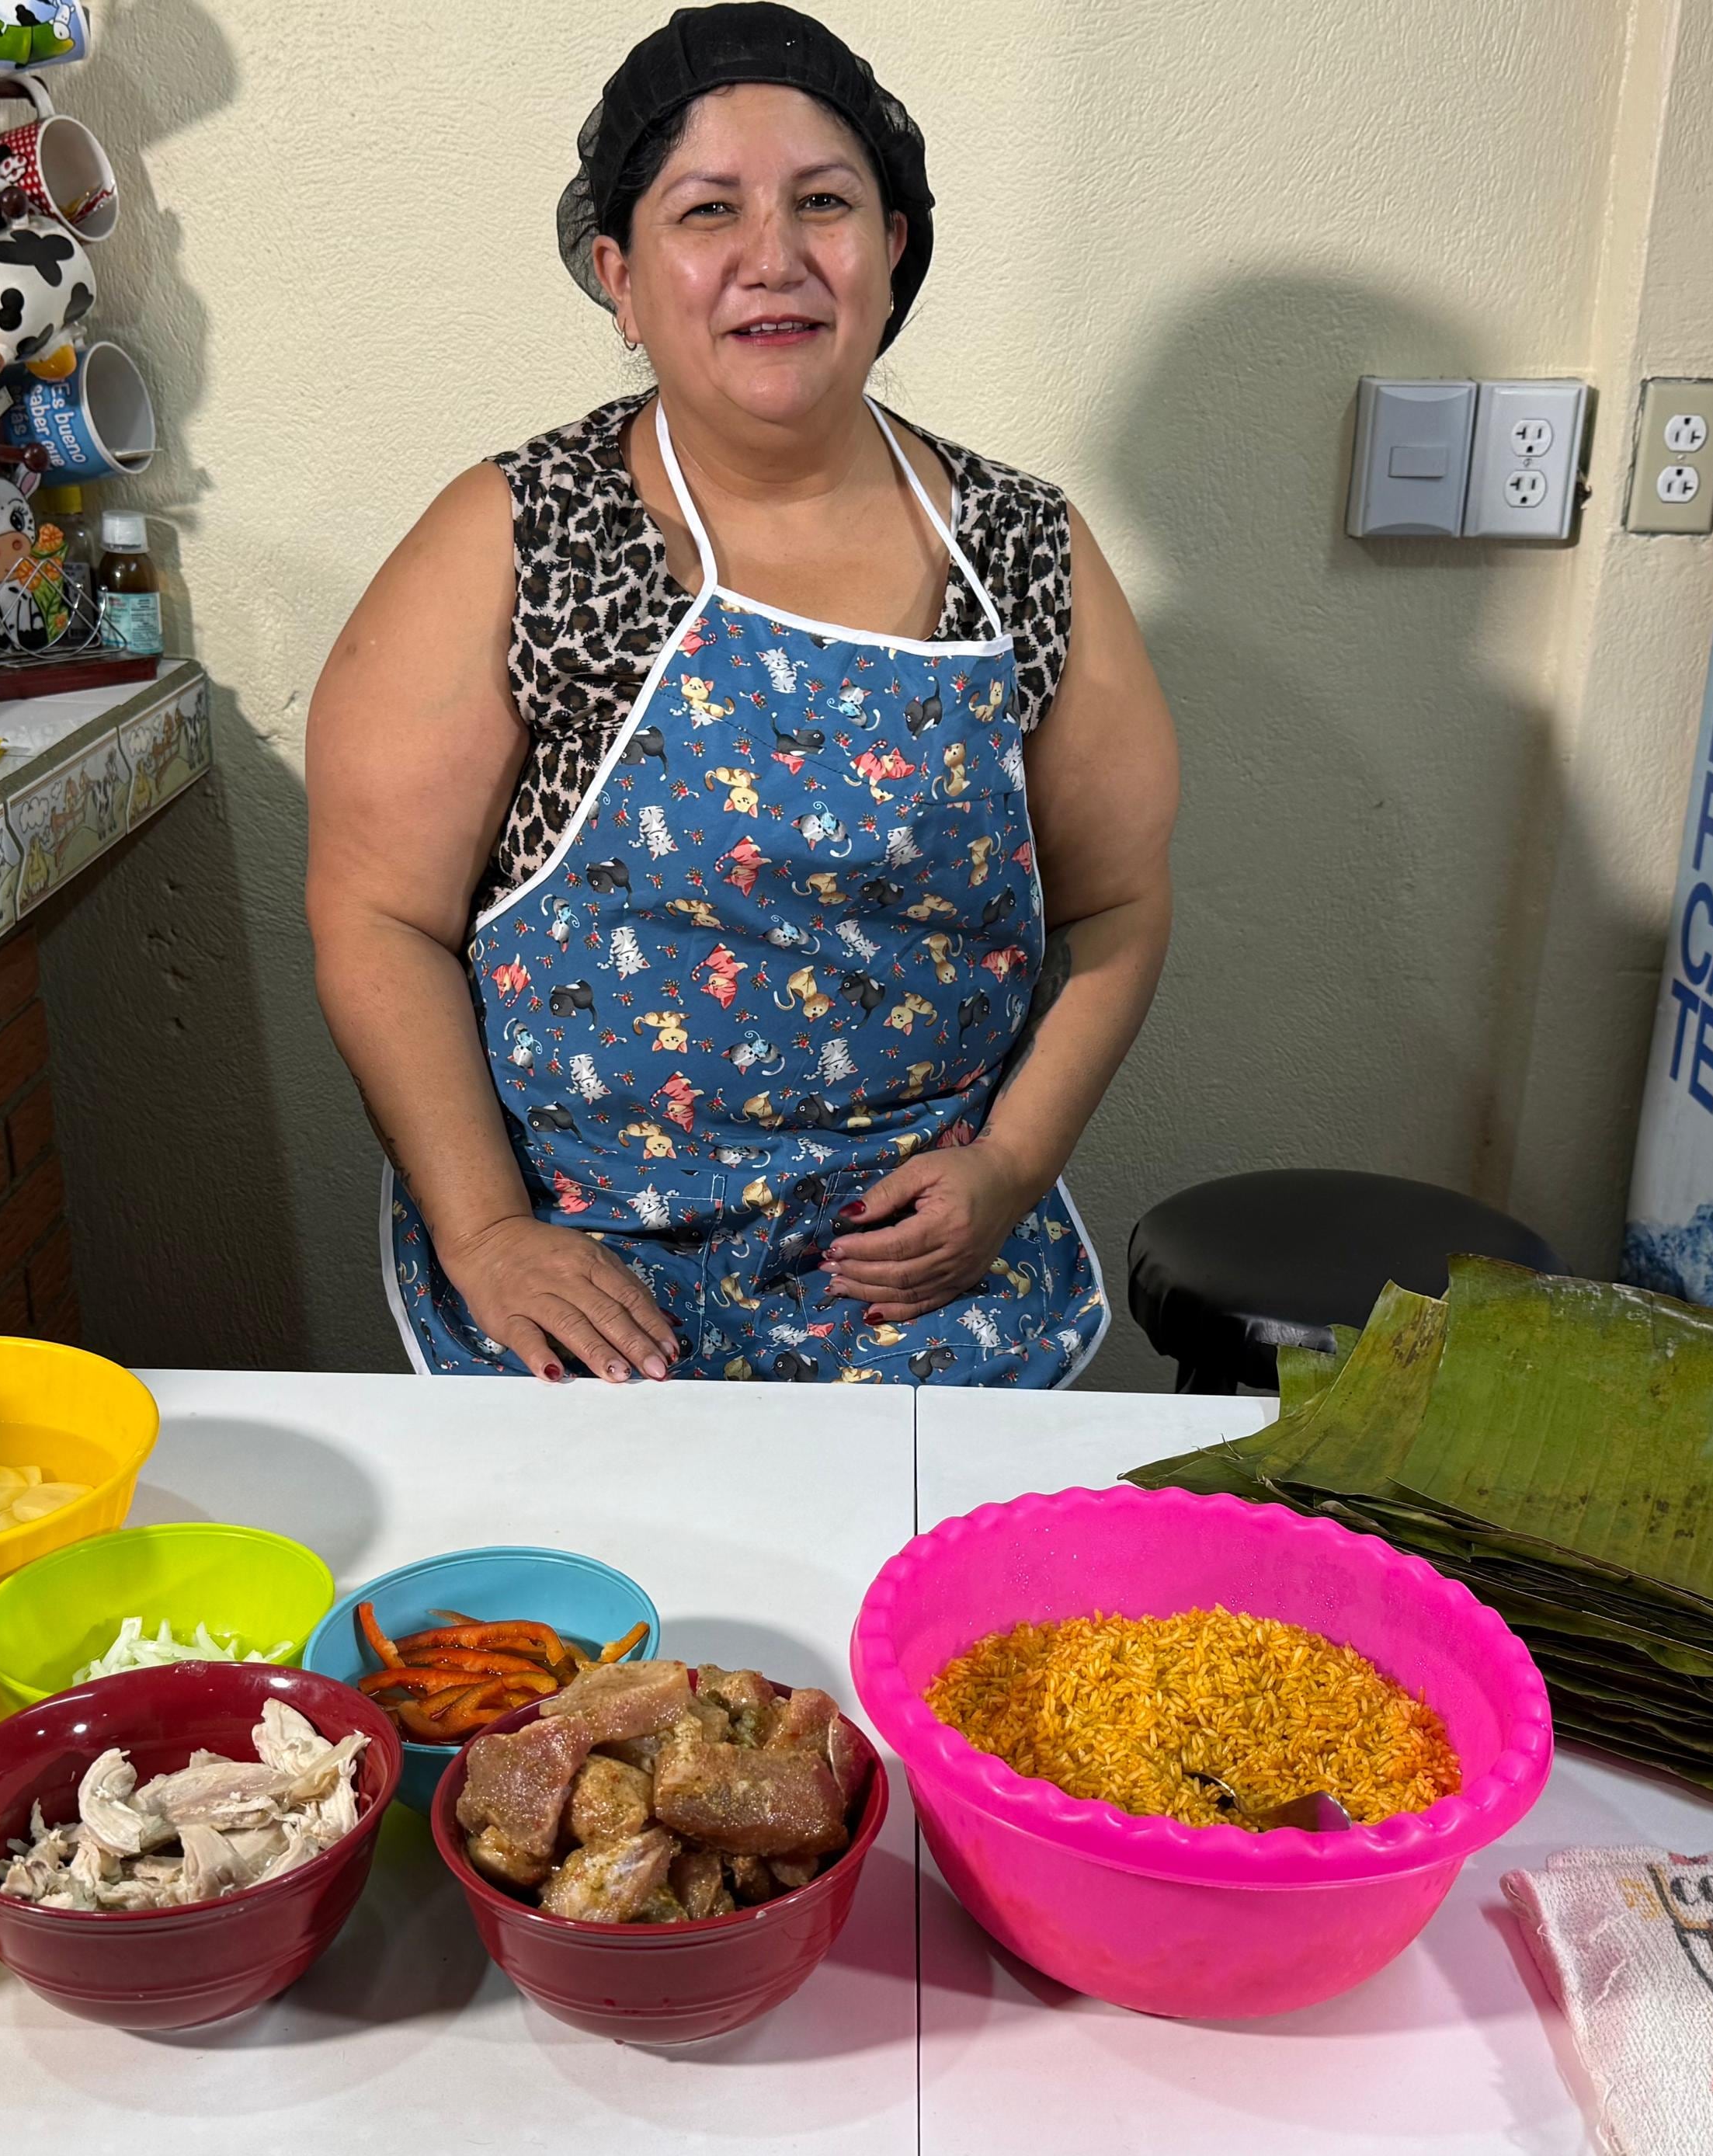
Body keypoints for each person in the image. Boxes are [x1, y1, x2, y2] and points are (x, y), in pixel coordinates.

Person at [307, 2, 1177, 1386]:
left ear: (892, 248)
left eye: (825, 203)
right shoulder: (523, 535)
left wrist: (1010, 1168)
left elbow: (1120, 910)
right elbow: (378, 912)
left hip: (923, 1296)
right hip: (587, 1292)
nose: (774, 260)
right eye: (707, 211)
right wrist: (485, 1235)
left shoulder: (1022, 550)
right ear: (621, 273)